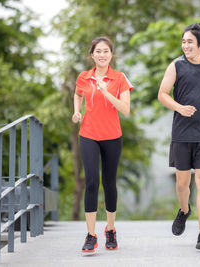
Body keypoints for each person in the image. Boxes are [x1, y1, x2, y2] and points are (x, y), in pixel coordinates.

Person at [157, 23, 200, 250]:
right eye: (183, 41)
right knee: (182, 184)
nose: (185, 46)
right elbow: (162, 95)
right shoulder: (176, 65)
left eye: (190, 42)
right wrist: (179, 107)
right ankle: (185, 210)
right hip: (182, 134)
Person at [72, 36, 133, 255]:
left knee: (109, 183)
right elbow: (78, 94)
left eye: (106, 51)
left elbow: (125, 109)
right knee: (91, 182)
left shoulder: (119, 78)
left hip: (112, 136)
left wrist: (107, 92)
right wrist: (77, 111)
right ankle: (90, 235)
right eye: (98, 51)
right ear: (92, 55)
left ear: (111, 55)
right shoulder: (84, 77)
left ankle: (110, 229)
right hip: (88, 134)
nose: (102, 55)